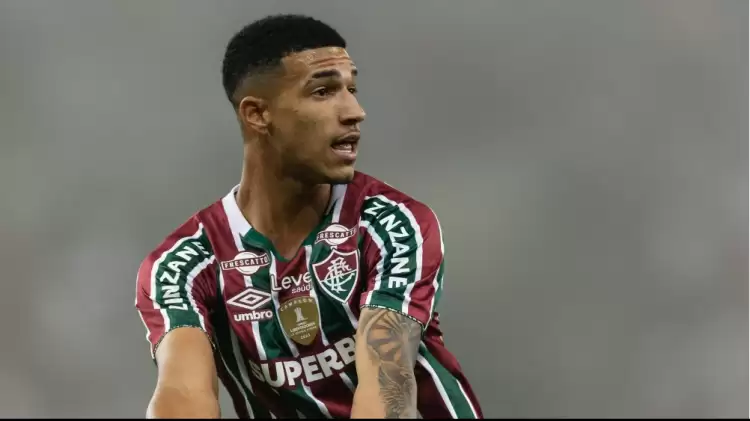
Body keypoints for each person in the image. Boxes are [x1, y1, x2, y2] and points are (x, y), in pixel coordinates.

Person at [134, 13, 483, 419]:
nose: (355, 111)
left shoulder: (392, 225)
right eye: (323, 91)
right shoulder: (183, 265)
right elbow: (182, 392)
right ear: (257, 114)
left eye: (352, 89)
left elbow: (387, 393)